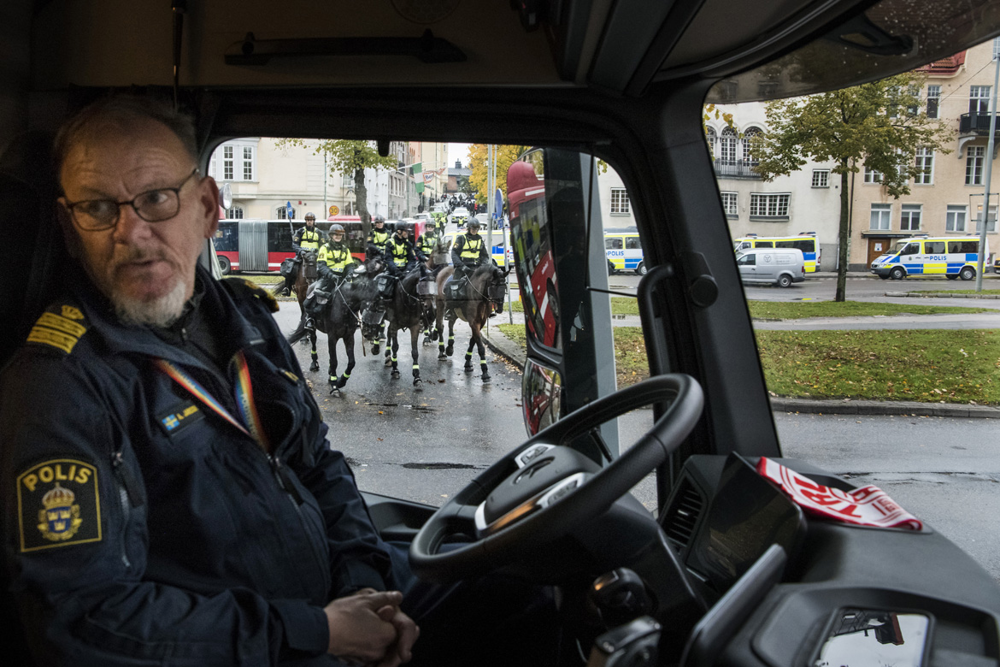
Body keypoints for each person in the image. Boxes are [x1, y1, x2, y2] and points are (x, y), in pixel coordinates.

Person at [0, 96, 423, 666]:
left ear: (206, 207)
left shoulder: (241, 316)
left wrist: (365, 587)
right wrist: (318, 633)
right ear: (69, 227)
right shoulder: (59, 387)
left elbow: (315, 460)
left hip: (327, 607)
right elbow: (84, 618)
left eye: (156, 199)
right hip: (257, 648)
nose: (131, 231)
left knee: (517, 595)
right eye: (98, 207)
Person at [303, 223, 357, 324]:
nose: (338, 237)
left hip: (342, 279)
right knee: (313, 294)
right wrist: (331, 275)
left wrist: (350, 274)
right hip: (327, 278)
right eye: (336, 235)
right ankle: (310, 319)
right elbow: (321, 265)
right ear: (331, 235)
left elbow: (350, 265)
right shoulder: (324, 248)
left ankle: (356, 320)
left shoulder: (346, 249)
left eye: (340, 235)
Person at [279, 212, 327, 296]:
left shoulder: (319, 232)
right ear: (305, 221)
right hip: (302, 255)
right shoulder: (300, 231)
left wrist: (318, 252)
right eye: (308, 220)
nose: (309, 221)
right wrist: (301, 251)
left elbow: (323, 245)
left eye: (311, 220)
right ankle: (287, 288)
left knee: (325, 268)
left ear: (313, 221)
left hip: (315, 256)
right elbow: (295, 244)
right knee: (291, 268)